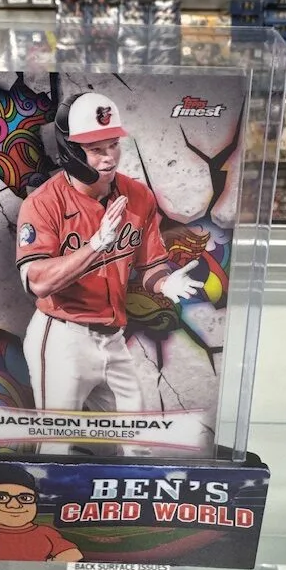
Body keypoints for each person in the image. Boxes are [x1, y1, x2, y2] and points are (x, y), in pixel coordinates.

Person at [16, 91, 203, 413]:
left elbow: (150, 265)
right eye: (96, 150)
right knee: (58, 435)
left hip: (113, 337)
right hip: (62, 337)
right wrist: (95, 246)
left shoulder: (138, 195)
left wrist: (164, 283)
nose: (109, 158)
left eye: (113, 144)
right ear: (71, 151)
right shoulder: (43, 203)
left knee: (132, 432)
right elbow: (38, 282)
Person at [0, 465, 82, 562]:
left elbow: (74, 554)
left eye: (25, 498)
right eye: (0, 497)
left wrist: (46, 567)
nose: (14, 505)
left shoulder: (45, 532)